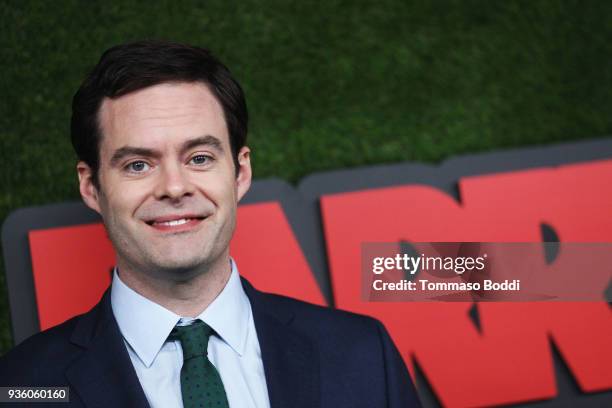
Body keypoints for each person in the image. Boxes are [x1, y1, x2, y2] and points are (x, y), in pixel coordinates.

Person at [0, 40, 421, 408]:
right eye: (138, 164)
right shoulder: (20, 386)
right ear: (92, 187)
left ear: (240, 173)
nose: (174, 187)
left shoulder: (362, 353)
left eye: (199, 158)